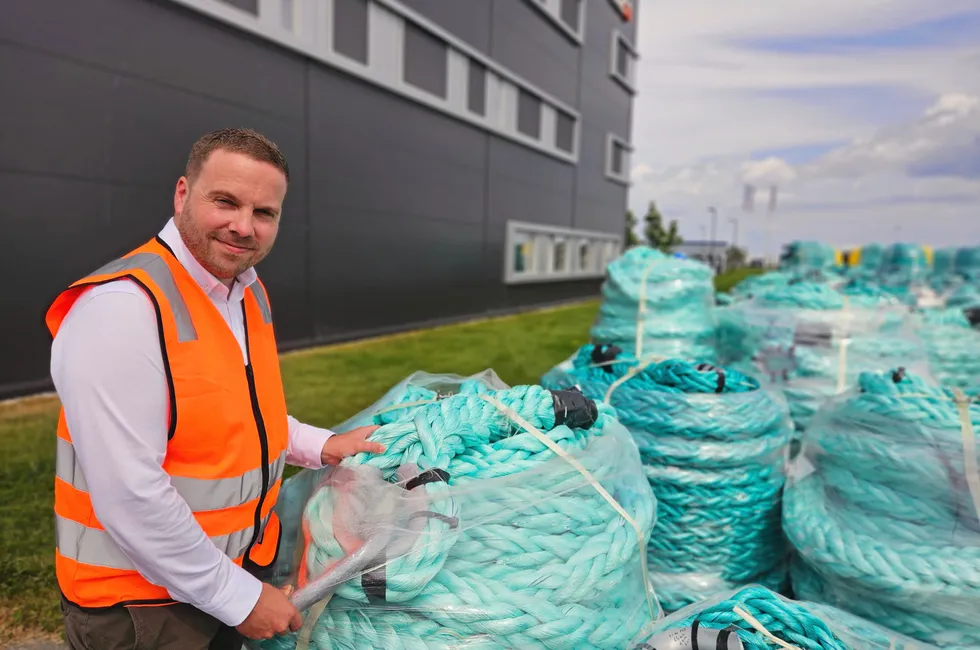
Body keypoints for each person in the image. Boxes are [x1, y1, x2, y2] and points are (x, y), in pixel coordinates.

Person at [46, 128, 385, 649]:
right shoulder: (122, 310)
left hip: (218, 582)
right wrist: (239, 598)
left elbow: (234, 415)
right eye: (224, 201)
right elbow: (131, 495)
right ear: (183, 194)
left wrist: (320, 445)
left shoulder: (244, 292)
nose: (243, 227)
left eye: (264, 213)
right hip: (145, 610)